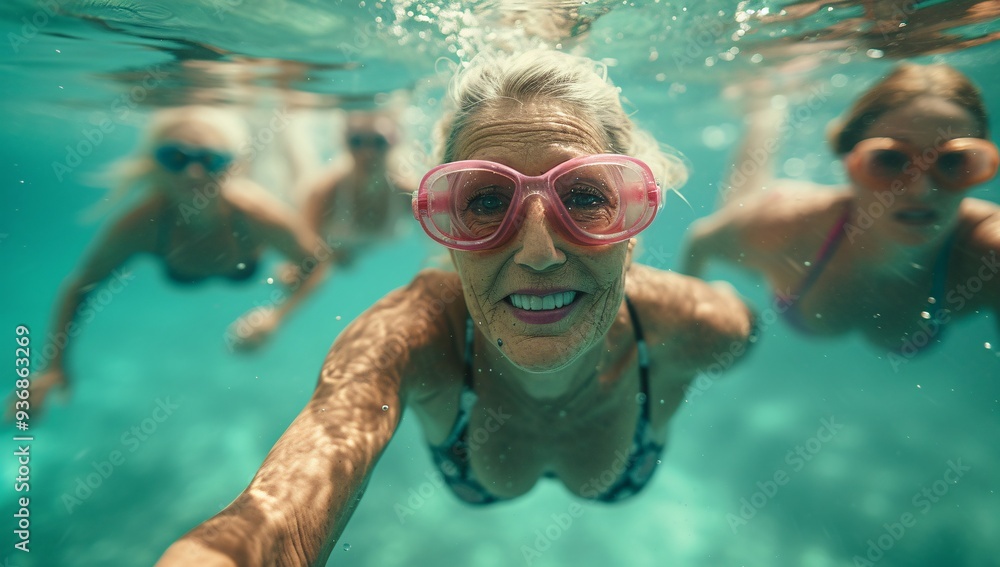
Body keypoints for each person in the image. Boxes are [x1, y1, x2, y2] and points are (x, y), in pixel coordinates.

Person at [154, 49, 754, 567]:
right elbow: (278, 517)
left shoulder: (697, 323)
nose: (539, 252)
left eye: (586, 196)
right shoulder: (410, 334)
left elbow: (745, 327)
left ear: (629, 225)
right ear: (446, 229)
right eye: (488, 200)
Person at [683, 63, 999, 358]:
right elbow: (699, 240)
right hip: (779, 220)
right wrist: (694, 323)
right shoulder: (785, 224)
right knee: (741, 204)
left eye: (954, 162)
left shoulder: (990, 253)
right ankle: (766, 111)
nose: (921, 190)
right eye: (890, 160)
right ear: (849, 163)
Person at [24, 105, 324, 414]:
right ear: (155, 164)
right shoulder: (143, 223)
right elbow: (81, 286)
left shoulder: (256, 212)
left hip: (260, 215)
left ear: (230, 167)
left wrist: (276, 316)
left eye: (209, 160)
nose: (192, 173)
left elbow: (317, 261)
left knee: (299, 191)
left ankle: (290, 121)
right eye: (176, 158)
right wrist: (53, 365)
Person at [230, 110, 417, 349]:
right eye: (356, 142)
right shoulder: (324, 192)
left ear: (395, 141)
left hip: (343, 246)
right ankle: (285, 114)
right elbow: (315, 261)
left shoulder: (406, 192)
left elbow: (440, 243)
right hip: (306, 209)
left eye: (378, 142)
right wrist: (275, 317)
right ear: (344, 143)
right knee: (293, 156)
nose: (367, 152)